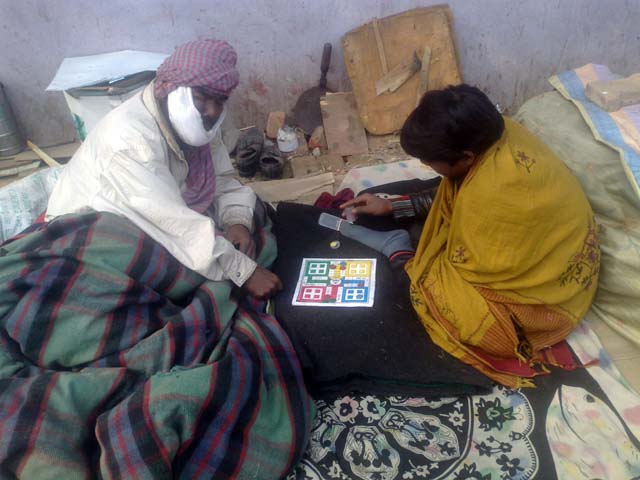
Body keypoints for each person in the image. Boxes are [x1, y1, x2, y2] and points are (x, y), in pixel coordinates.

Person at [341, 84, 600, 387]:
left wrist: (413, 264)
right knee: (388, 202)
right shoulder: (500, 131)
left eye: (429, 162)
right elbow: (454, 189)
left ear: (465, 157)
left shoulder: (490, 193)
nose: (426, 167)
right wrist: (393, 206)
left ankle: (398, 251)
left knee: (427, 294)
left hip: (541, 304)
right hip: (549, 253)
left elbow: (468, 272)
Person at [46, 39, 282, 299]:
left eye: (220, 100)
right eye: (201, 97)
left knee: (254, 216)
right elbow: (170, 222)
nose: (212, 111)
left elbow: (222, 181)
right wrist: (244, 272)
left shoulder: (196, 121)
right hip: (98, 226)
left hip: (167, 209)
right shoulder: (129, 142)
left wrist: (237, 223)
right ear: (171, 89)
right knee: (179, 278)